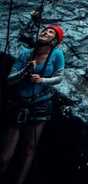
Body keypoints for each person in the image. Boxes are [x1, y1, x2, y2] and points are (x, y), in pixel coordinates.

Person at [0, 24, 65, 184]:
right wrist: (25, 71)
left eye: (50, 32)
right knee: (4, 155)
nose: (45, 32)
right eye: (44, 30)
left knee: (29, 150)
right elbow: (9, 80)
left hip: (40, 105)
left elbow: (59, 77)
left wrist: (42, 80)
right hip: (19, 104)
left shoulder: (57, 55)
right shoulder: (26, 53)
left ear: (54, 41)